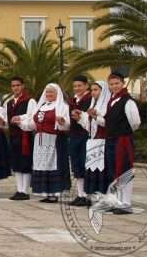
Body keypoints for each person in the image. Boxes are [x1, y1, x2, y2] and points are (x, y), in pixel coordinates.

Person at [15, 83, 71, 203]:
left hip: (54, 140)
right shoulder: (41, 107)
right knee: (42, 164)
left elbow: (67, 126)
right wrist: (20, 122)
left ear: (57, 94)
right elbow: (32, 125)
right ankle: (45, 192)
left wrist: (62, 122)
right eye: (47, 92)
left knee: (53, 164)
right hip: (40, 141)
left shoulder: (62, 107)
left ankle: (55, 193)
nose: (49, 94)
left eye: (51, 92)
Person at [99, 72, 140, 215]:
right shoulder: (112, 101)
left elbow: (135, 122)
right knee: (114, 170)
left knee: (124, 170)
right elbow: (107, 122)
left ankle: (126, 203)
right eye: (111, 84)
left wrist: (124, 132)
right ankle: (117, 201)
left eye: (117, 83)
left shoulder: (128, 101)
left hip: (123, 139)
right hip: (111, 139)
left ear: (122, 83)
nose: (114, 86)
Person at [74, 80, 111, 201]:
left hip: (104, 142)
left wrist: (95, 116)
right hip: (93, 141)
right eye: (93, 90)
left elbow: (108, 123)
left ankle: (105, 198)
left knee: (103, 172)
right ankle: (94, 198)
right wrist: (81, 117)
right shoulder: (93, 104)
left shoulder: (107, 105)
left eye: (96, 90)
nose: (93, 93)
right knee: (93, 171)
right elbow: (89, 126)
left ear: (103, 90)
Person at [4, 76, 37, 200]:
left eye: (17, 85)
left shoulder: (30, 101)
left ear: (22, 86)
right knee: (16, 163)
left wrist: (20, 120)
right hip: (13, 136)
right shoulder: (9, 103)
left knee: (25, 162)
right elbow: (7, 122)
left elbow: (32, 118)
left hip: (25, 136)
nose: (15, 88)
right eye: (13, 86)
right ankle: (19, 189)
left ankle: (25, 191)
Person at [67, 75, 93, 207]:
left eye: (80, 86)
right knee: (76, 165)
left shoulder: (90, 99)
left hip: (85, 135)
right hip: (74, 135)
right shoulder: (72, 101)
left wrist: (81, 117)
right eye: (75, 86)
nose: (77, 88)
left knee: (85, 164)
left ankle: (88, 195)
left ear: (86, 86)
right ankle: (80, 194)